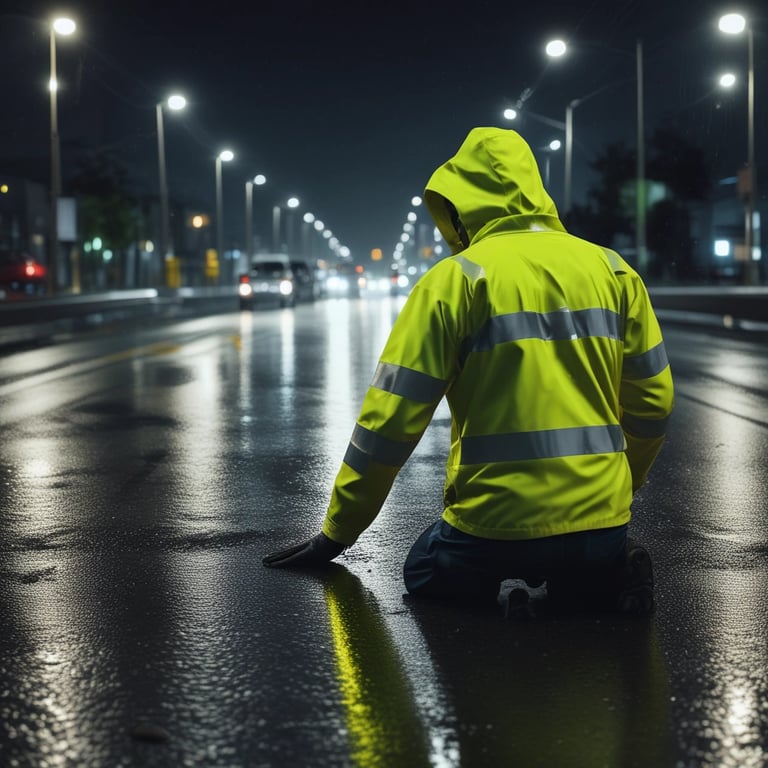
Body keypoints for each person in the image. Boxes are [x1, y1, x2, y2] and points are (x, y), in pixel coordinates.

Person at [263, 127, 674, 614]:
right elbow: (654, 404)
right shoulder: (614, 271)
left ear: (460, 205)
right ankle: (600, 579)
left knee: (424, 568)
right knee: (583, 567)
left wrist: (338, 532)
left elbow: (388, 424)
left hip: (491, 526)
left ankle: (495, 599)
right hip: (600, 525)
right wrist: (622, 486)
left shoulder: (455, 281)